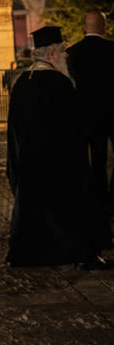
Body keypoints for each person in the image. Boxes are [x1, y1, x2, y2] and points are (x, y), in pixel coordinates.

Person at [6, 26, 109, 268]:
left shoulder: (22, 83)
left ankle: (30, 254)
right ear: (52, 54)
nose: (65, 56)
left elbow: (13, 132)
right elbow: (76, 128)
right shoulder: (59, 83)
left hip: (29, 166)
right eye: (62, 52)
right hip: (58, 166)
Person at [67, 11, 114, 213]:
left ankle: (96, 198)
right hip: (112, 113)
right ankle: (111, 199)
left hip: (86, 114)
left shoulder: (73, 53)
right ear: (104, 27)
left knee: (94, 159)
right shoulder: (112, 49)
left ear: (85, 27)